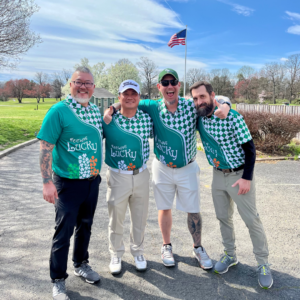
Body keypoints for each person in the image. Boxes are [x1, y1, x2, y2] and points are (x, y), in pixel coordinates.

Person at [104, 68, 231, 270]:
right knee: (164, 207)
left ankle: (197, 247)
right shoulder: (152, 107)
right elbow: (128, 100)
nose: (169, 86)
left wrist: (226, 105)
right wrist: (112, 107)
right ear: (159, 87)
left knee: (193, 209)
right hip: (161, 166)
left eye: (173, 82)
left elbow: (214, 99)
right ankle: (166, 246)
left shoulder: (191, 106)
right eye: (165, 83)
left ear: (179, 86)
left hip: (187, 166)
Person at [190, 80, 273, 289]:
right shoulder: (199, 118)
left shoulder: (232, 117)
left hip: (239, 175)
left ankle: (263, 263)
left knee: (251, 220)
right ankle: (230, 254)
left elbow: (250, 149)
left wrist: (247, 177)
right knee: (223, 218)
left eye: (202, 96)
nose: (199, 101)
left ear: (212, 96)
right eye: (195, 98)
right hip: (218, 175)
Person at [38, 67, 102, 300]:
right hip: (67, 183)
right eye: (79, 82)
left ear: (93, 87)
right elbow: (46, 147)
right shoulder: (59, 111)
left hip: (92, 181)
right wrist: (47, 182)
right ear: (70, 84)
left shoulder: (95, 110)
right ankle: (58, 279)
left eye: (88, 83)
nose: (83, 87)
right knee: (63, 232)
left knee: (85, 225)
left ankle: (81, 264)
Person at [102, 80, 153, 275]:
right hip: (117, 176)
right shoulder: (108, 120)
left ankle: (138, 251)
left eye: (134, 93)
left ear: (139, 97)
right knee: (116, 219)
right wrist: (111, 110)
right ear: (119, 96)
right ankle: (116, 253)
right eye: (126, 94)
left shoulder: (147, 119)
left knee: (139, 218)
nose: (130, 97)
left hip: (141, 174)